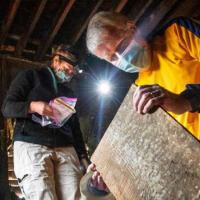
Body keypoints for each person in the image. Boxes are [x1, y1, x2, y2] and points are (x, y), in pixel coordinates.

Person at [86, 11, 200, 140]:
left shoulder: (178, 33)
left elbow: (184, 104)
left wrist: (188, 102)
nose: (121, 58)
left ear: (132, 28)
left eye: (122, 46)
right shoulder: (141, 88)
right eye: (112, 57)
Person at [2, 44, 89, 200]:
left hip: (66, 148)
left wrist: (83, 157)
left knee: (75, 196)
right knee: (42, 194)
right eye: (68, 68)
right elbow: (7, 108)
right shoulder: (31, 76)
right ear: (56, 60)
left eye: (73, 72)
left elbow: (75, 127)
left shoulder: (68, 92)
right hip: (32, 143)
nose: (70, 74)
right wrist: (33, 106)